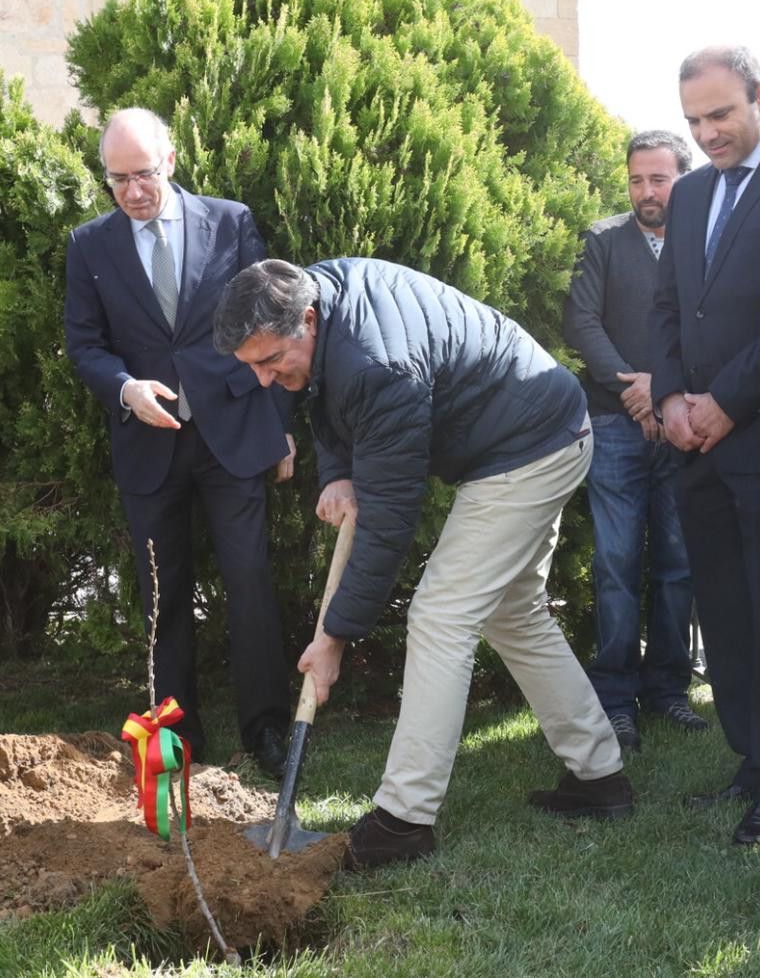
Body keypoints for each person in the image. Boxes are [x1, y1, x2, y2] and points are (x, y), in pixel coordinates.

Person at [215, 257, 630, 870]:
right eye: (250, 365)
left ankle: (404, 822)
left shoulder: (377, 364)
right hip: (534, 430)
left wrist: (333, 636)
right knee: (516, 615)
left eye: (270, 360)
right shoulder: (321, 297)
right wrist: (338, 473)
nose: (263, 379)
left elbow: (388, 522)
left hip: (530, 446)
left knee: (440, 617)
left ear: (308, 320)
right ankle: (601, 777)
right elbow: (328, 396)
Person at [63, 107, 293, 776]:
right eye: (116, 180)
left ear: (169, 159)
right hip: (149, 443)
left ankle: (268, 731)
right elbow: (84, 345)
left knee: (250, 586)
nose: (132, 192)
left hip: (233, 434)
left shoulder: (231, 221)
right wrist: (125, 388)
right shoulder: (90, 246)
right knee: (162, 596)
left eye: (142, 175)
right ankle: (175, 737)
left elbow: (274, 323)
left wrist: (279, 426)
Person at [650, 45, 760, 847]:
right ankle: (752, 760)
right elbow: (669, 308)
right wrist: (672, 398)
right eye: (694, 121)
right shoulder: (686, 196)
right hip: (697, 445)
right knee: (723, 614)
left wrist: (727, 401)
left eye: (721, 115)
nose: (708, 133)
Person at [563, 129, 700, 755]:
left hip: (687, 422)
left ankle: (668, 688)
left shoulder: (704, 237)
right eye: (637, 180)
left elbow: (718, 322)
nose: (647, 192)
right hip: (616, 425)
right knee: (617, 565)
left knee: (678, 562)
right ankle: (615, 698)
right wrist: (634, 390)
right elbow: (581, 322)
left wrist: (665, 390)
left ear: (683, 177)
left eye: (659, 179)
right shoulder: (603, 240)